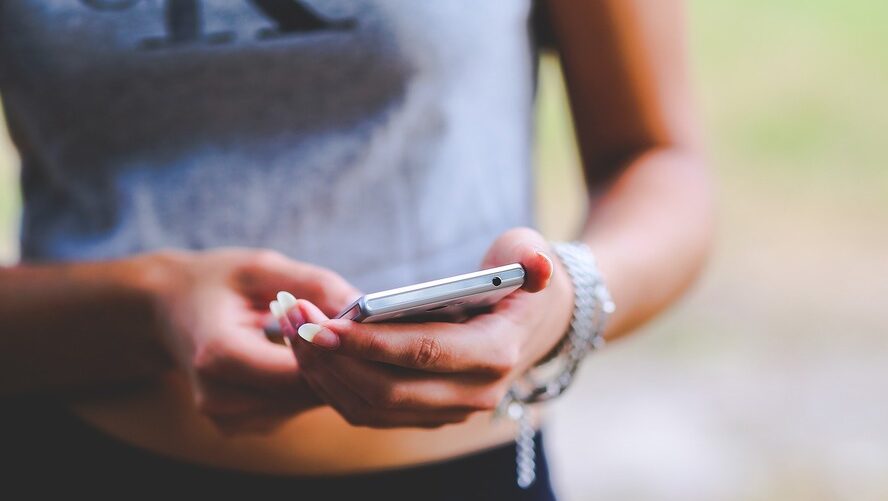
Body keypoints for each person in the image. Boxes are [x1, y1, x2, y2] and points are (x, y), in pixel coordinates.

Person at [0, 1, 712, 499]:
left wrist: (567, 300)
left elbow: (657, 160)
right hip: (83, 462)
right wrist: (151, 304)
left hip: (467, 476)